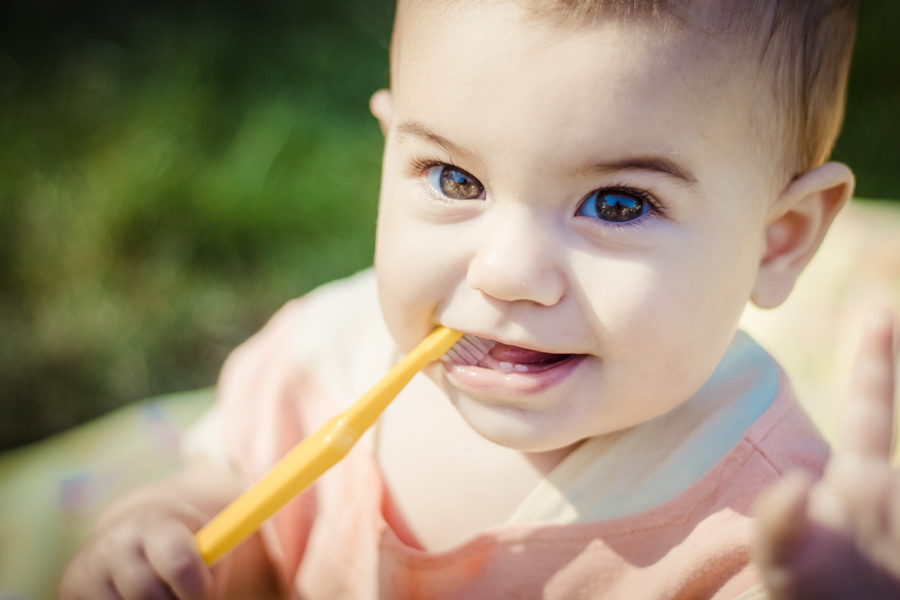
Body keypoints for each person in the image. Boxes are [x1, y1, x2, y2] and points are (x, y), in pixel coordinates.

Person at [59, 0, 899, 598]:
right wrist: (163, 537)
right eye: (455, 179)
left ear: (777, 238)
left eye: (617, 203)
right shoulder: (329, 360)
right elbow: (241, 507)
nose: (505, 272)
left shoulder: (772, 526)